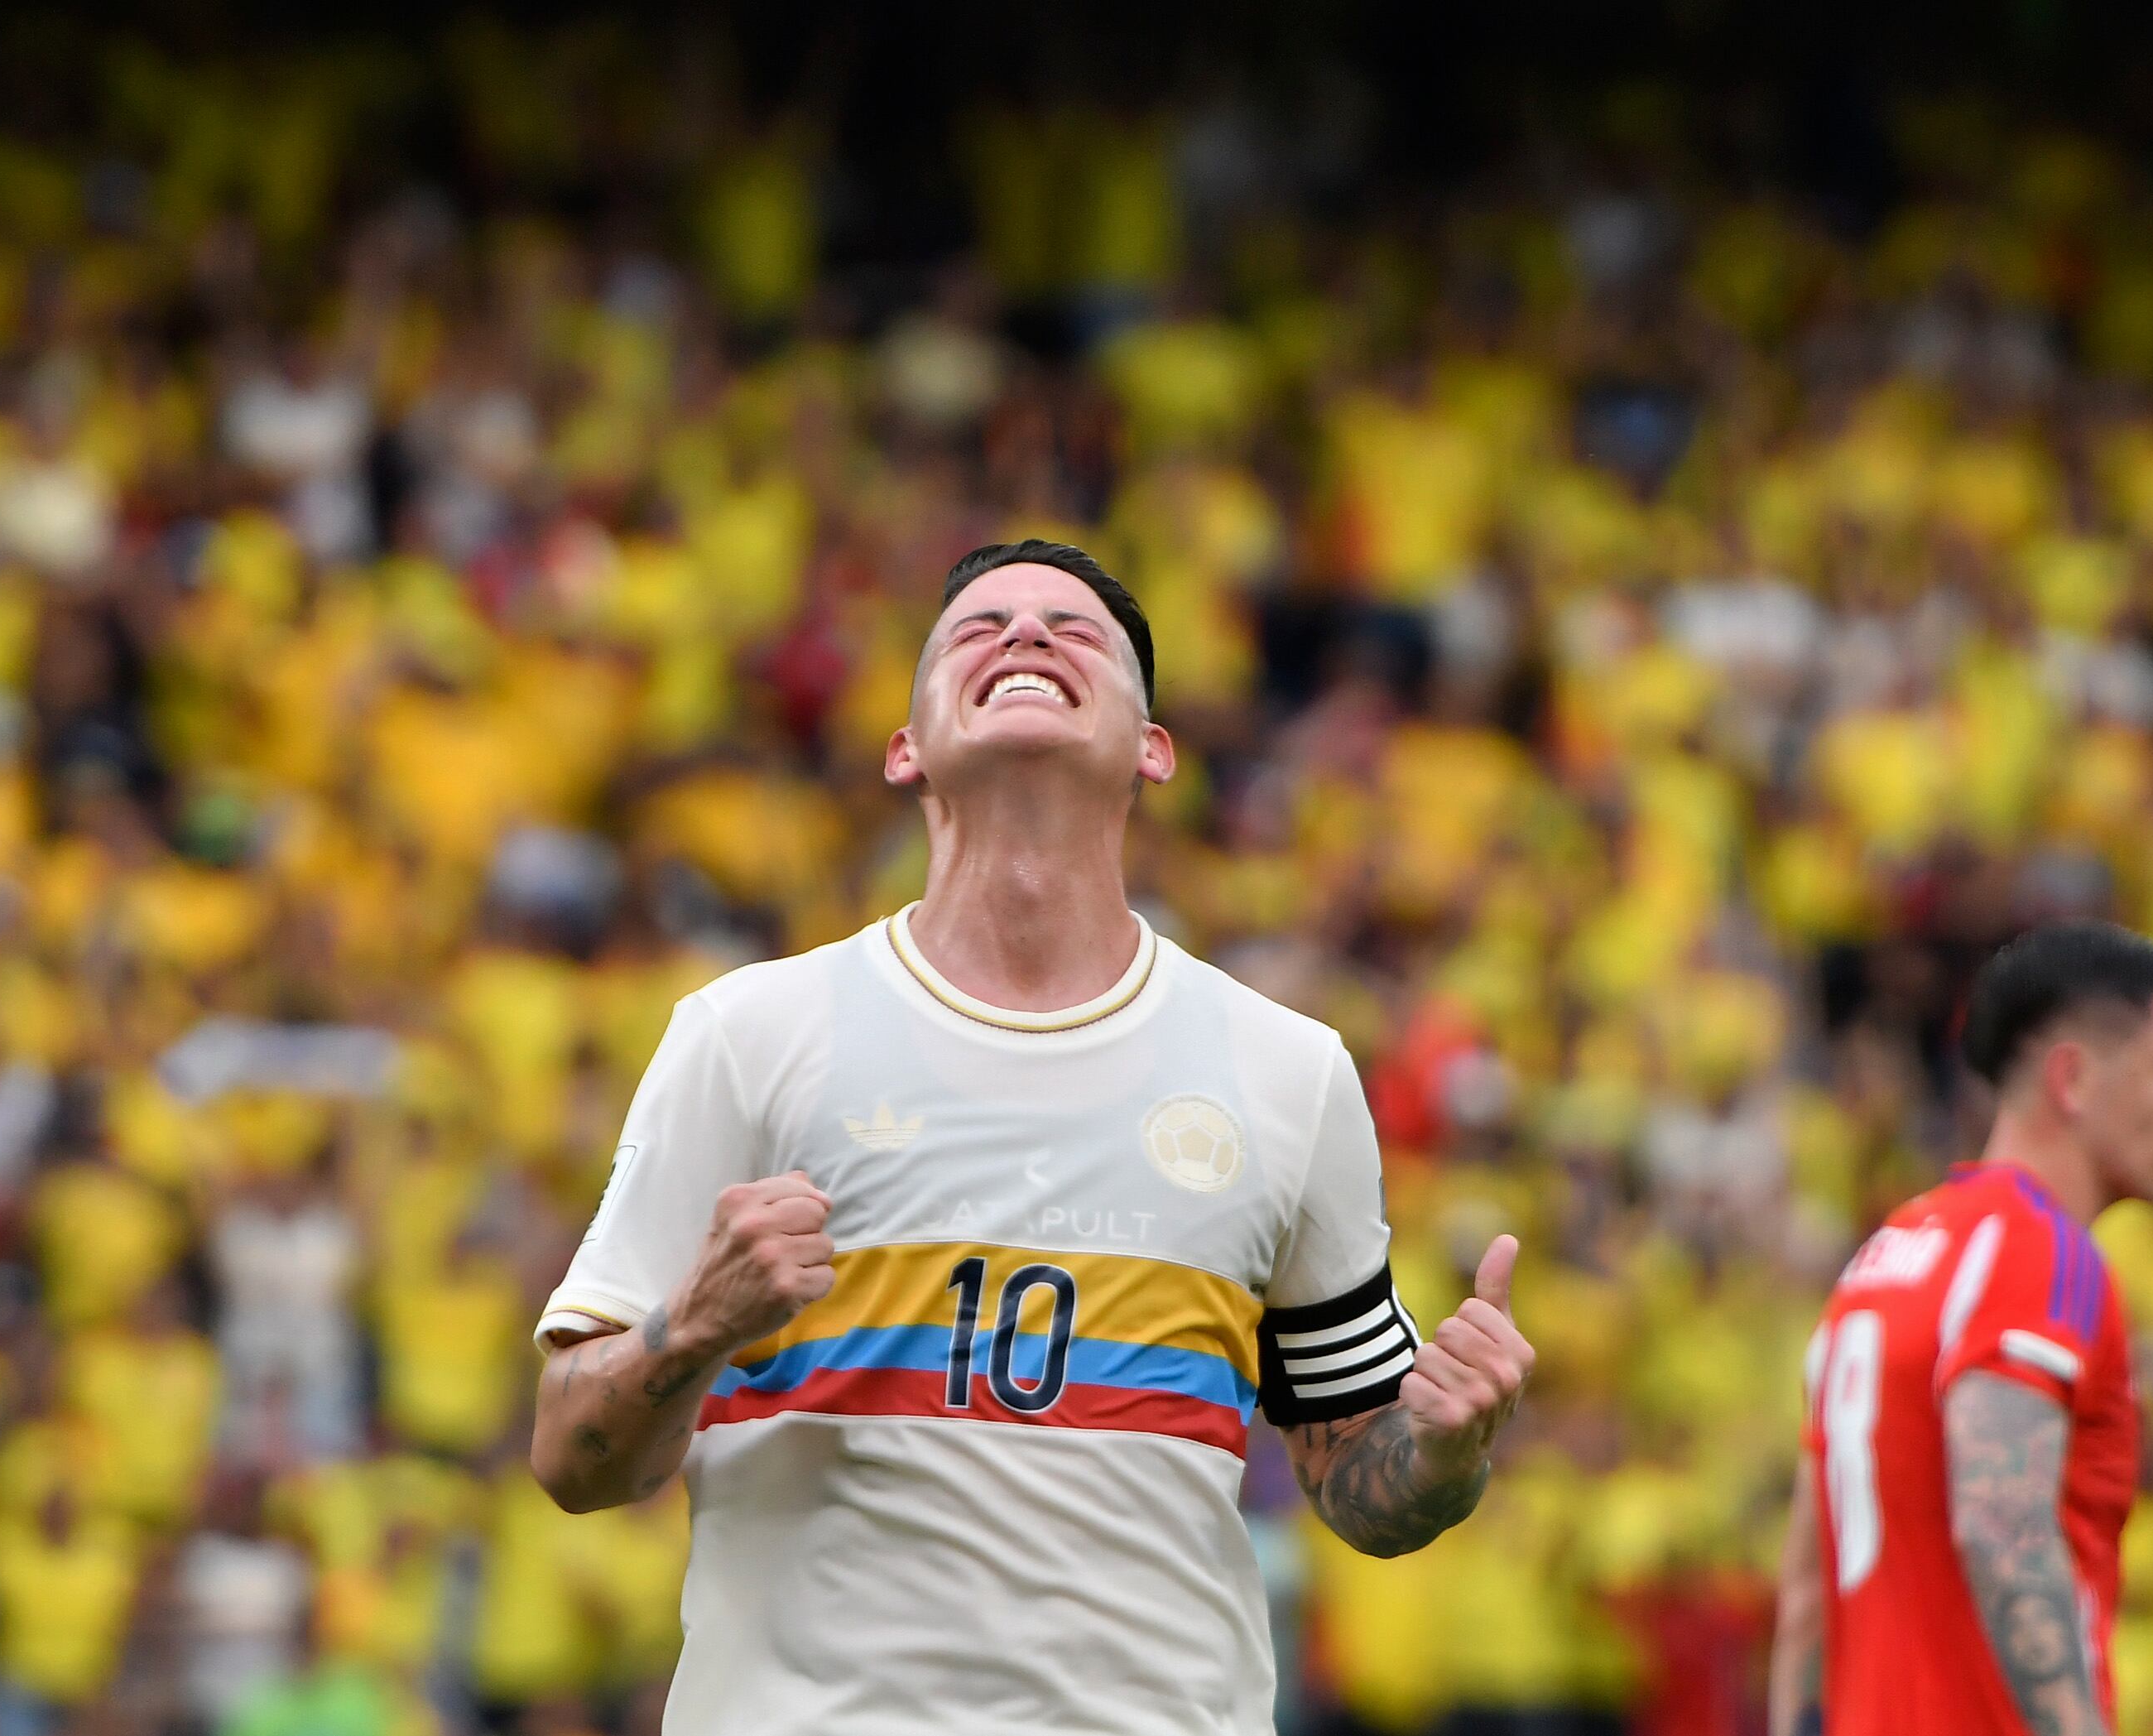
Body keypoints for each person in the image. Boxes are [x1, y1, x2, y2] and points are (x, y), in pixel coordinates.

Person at [528, 539, 1535, 1734]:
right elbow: (572, 1457)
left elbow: (1362, 1487)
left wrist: (1443, 1450)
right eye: (977, 625)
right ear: (904, 748)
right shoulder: (747, 1035)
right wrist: (695, 1323)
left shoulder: (1287, 1071)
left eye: (1074, 630)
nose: (1023, 634)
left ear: (1152, 750)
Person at [1769, 923, 2153, 1736]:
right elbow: (1999, 1524)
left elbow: (1808, 1590)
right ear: (2072, 1079)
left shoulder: (1884, 1256)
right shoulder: (2041, 1252)